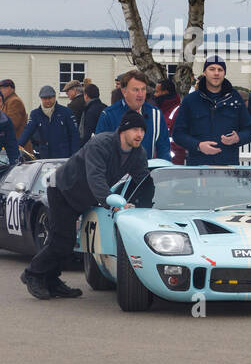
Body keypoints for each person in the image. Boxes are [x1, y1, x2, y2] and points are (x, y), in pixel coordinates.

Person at [20, 111, 154, 300]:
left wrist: (148, 206)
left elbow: (144, 182)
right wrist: (111, 203)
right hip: (63, 190)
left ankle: (51, 280)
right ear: (123, 130)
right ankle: (33, 274)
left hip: (85, 197)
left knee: (67, 244)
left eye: (142, 130)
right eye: (135, 129)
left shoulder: (138, 153)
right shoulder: (101, 144)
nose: (139, 134)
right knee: (62, 240)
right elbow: (95, 178)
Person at [170, 55, 251, 166]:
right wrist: (198, 145)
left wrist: (238, 138)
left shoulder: (235, 99)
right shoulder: (190, 101)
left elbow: (250, 131)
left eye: (220, 70)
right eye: (212, 69)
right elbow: (178, 134)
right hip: (198, 168)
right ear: (204, 72)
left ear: (224, 73)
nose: (216, 73)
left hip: (228, 168)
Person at [95, 71, 171, 161]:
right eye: (136, 90)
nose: (141, 94)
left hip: (147, 172)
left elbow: (164, 149)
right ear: (124, 92)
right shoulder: (109, 115)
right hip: (117, 173)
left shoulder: (155, 115)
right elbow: (99, 151)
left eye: (143, 89)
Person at [18, 85, 81, 159]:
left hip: (63, 156)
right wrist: (19, 145)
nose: (47, 101)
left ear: (54, 97)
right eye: (44, 98)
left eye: (50, 98)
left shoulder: (66, 112)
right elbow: (28, 130)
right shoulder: (35, 114)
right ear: (41, 99)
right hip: (45, 156)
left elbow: (74, 135)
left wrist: (75, 156)